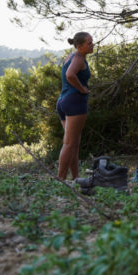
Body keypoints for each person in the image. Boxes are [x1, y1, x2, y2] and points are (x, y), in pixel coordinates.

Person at [56, 32, 93, 181]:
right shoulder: (78, 59)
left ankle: (76, 177)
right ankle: (61, 180)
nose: (92, 45)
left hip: (63, 102)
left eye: (92, 42)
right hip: (75, 102)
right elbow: (70, 75)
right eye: (89, 43)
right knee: (70, 143)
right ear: (80, 46)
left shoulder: (71, 56)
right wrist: (82, 89)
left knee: (73, 144)